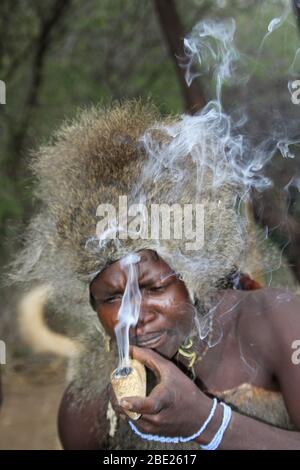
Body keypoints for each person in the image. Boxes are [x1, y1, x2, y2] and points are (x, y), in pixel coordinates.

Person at [11, 101, 300, 450]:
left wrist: (208, 422)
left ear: (194, 276)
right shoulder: (87, 407)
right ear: (90, 303)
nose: (134, 314)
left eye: (152, 287)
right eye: (113, 297)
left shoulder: (277, 321)